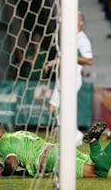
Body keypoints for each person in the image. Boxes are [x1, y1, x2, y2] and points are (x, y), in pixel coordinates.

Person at [0, 119, 111, 178]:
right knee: (99, 165)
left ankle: (95, 141)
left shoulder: (2, 144)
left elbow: (12, 163)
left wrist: (3, 173)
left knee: (99, 173)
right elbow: (21, 164)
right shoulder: (17, 134)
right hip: (56, 149)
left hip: (52, 159)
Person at [44, 12, 94, 146]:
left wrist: (73, 56)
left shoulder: (82, 39)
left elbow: (89, 60)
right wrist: (51, 63)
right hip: (63, 76)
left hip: (72, 78)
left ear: (81, 21)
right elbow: (64, 57)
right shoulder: (69, 38)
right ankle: (72, 135)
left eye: (76, 17)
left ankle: (75, 136)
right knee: (52, 107)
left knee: (64, 109)